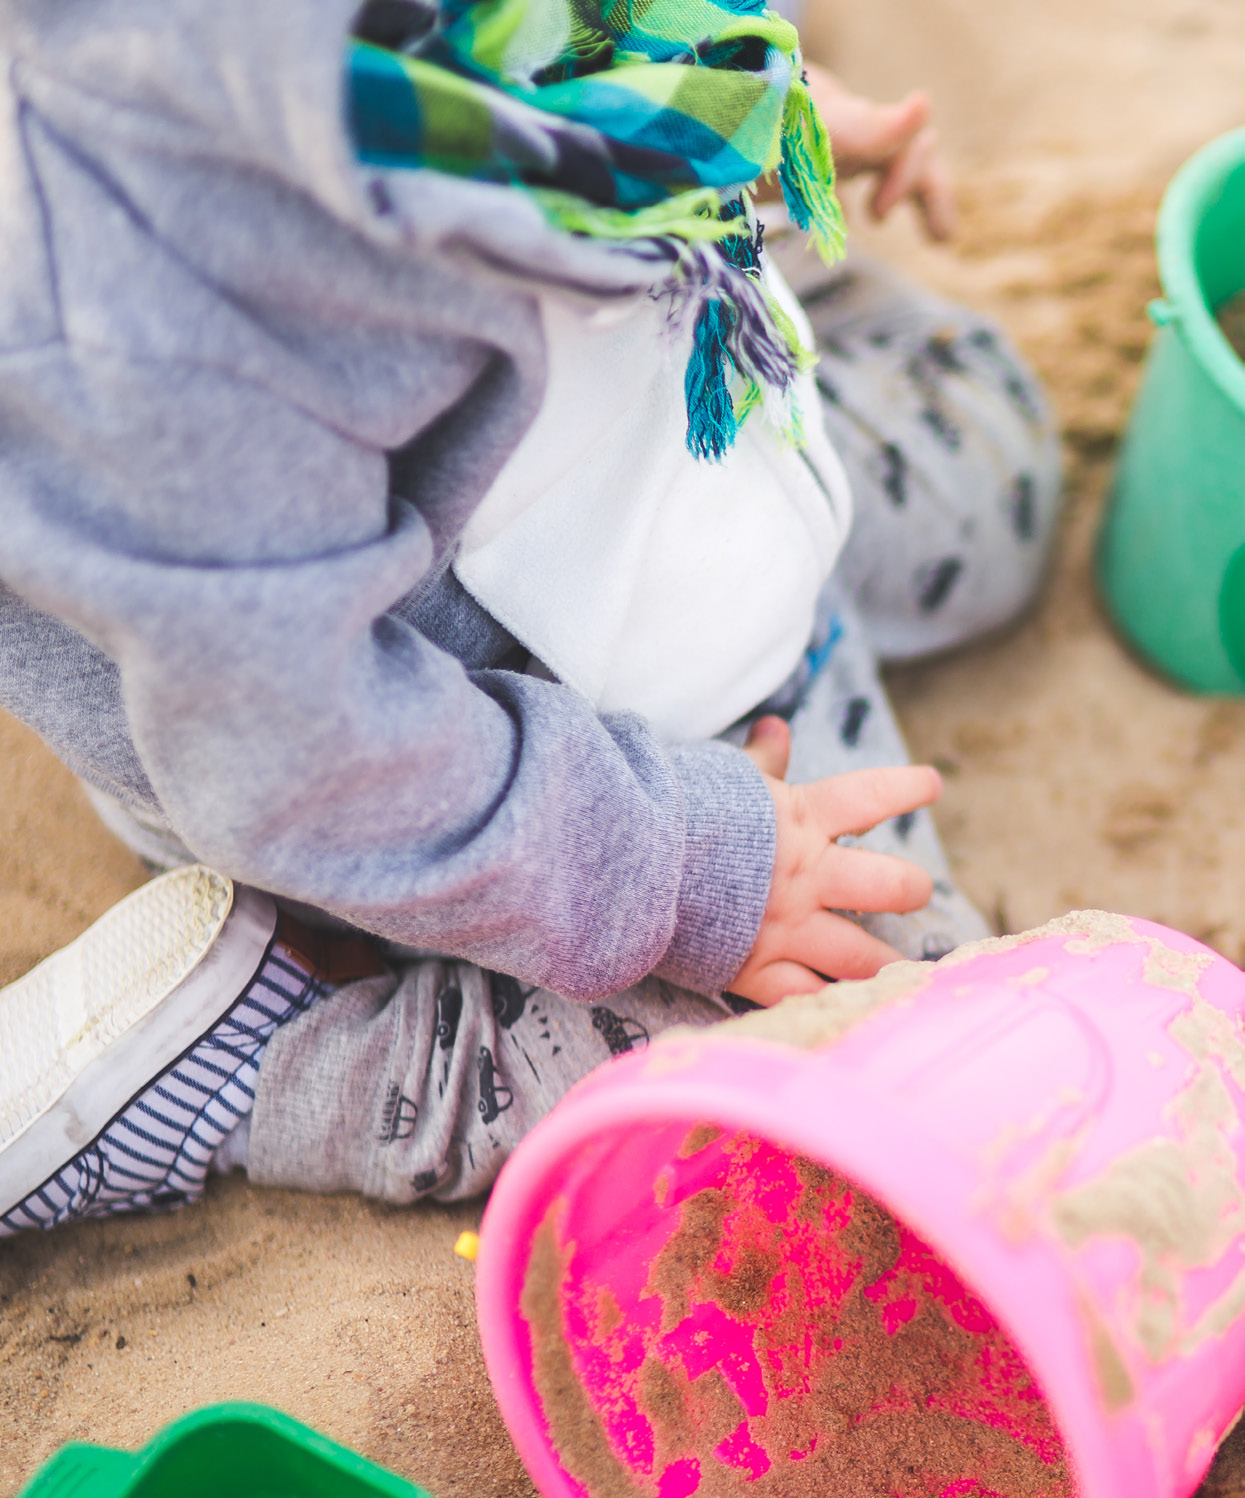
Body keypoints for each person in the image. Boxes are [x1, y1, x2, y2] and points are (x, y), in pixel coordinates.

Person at [0, 0, 1059, 1234]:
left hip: (669, 469)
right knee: (899, 1026)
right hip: (476, 767)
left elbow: (567, 46)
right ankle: (274, 1060)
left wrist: (743, 113)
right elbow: (305, 765)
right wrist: (690, 874)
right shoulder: (142, 298)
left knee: (998, 460)